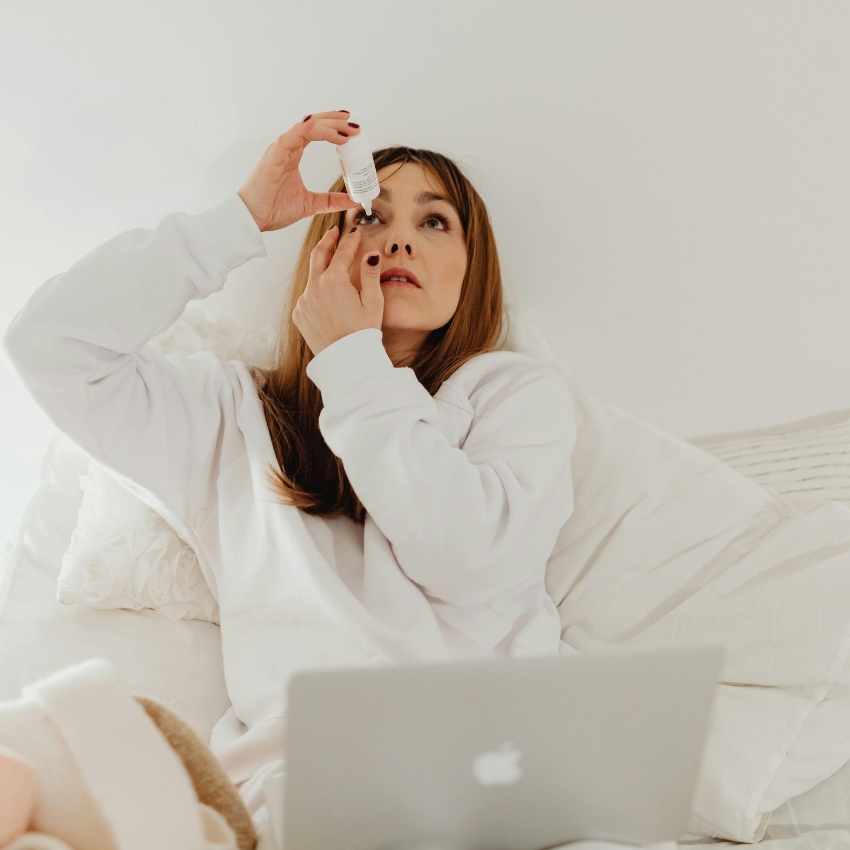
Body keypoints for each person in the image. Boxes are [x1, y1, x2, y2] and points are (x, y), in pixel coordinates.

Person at [1, 110, 577, 814]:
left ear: (471, 268)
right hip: (305, 795)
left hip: (488, 781)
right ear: (325, 250)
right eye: (369, 214)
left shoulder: (515, 396)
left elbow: (466, 559)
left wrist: (351, 364)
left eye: (435, 222)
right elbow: (49, 347)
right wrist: (239, 220)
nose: (396, 236)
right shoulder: (233, 416)